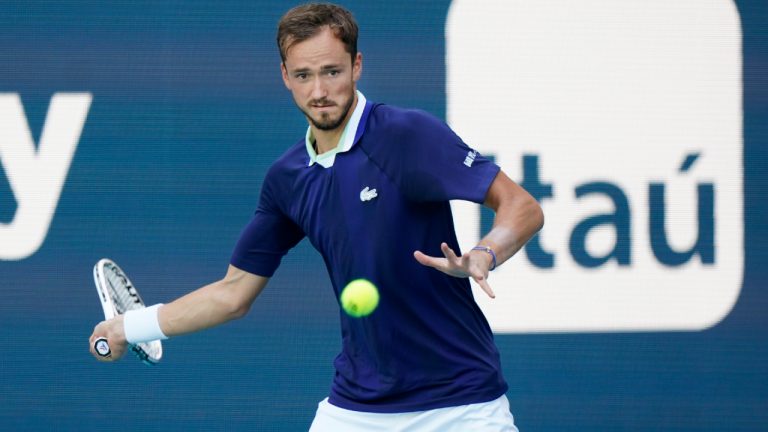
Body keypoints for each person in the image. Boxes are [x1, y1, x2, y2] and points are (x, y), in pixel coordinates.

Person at [89, 3, 543, 431]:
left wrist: (486, 251)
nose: (319, 91)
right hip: (357, 408)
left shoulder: (406, 135)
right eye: (304, 75)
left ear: (357, 66)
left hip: (461, 404)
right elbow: (232, 294)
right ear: (285, 76)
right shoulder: (288, 178)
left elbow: (522, 206)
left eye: (332, 72)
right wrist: (128, 327)